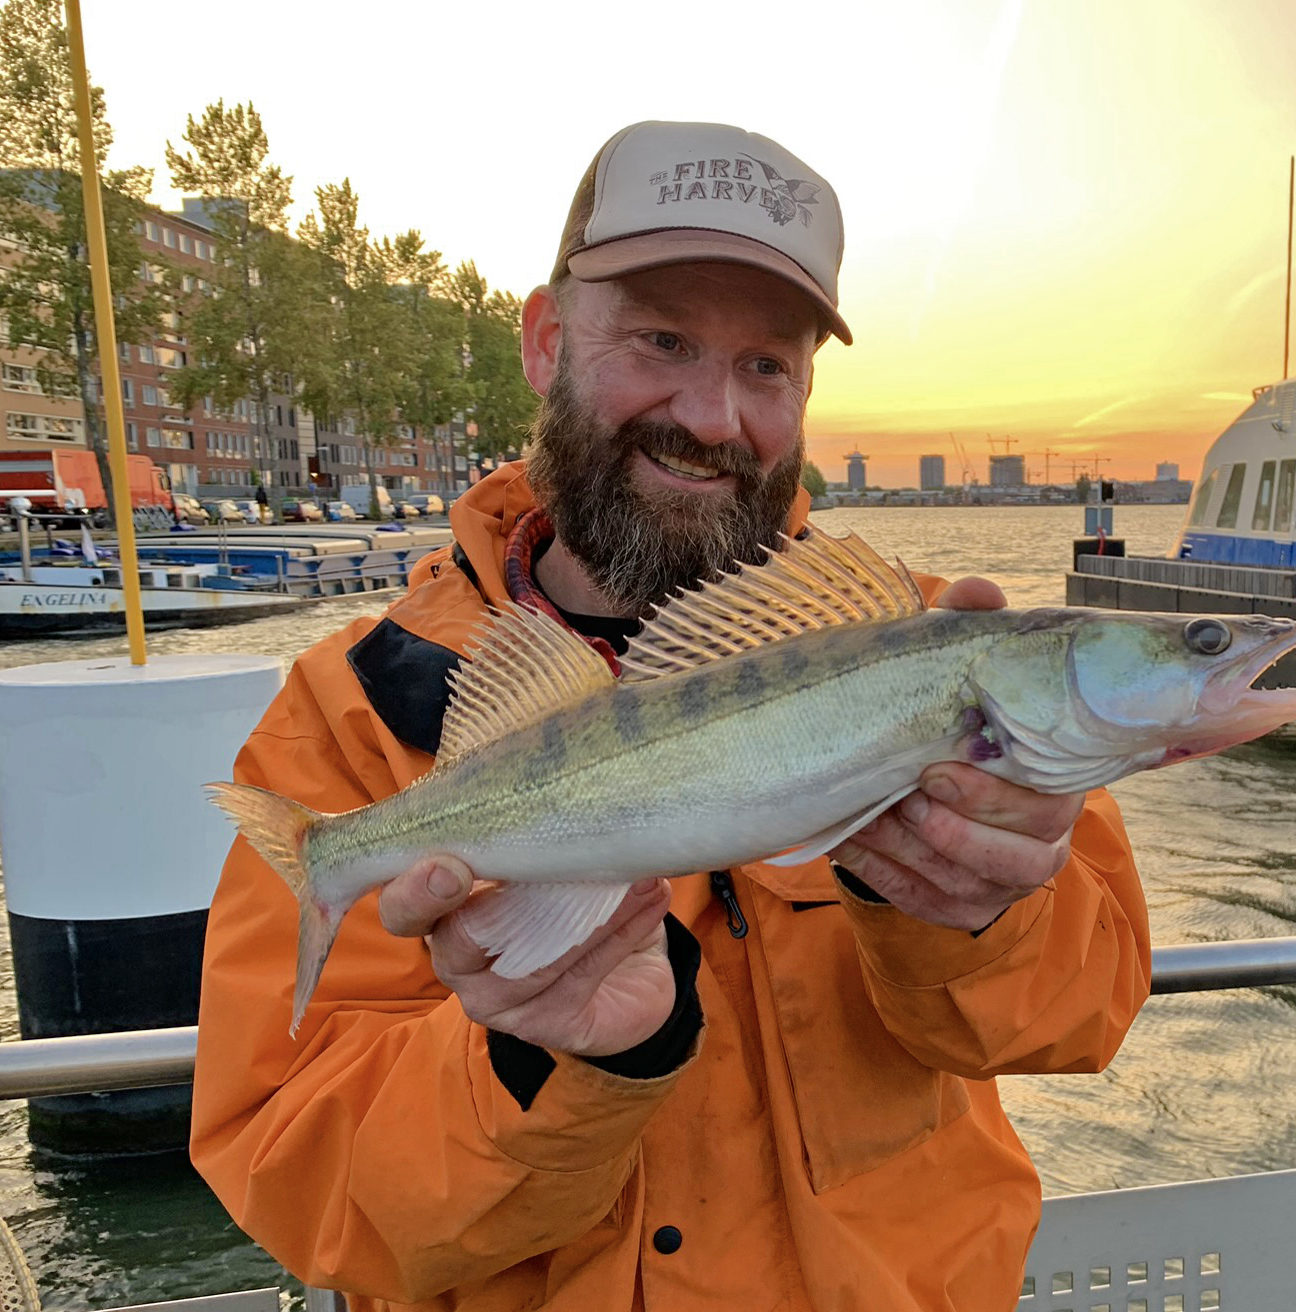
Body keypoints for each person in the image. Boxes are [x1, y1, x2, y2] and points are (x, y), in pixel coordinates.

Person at [189, 121, 1151, 1312]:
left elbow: (1081, 1016)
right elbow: (300, 1181)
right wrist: (544, 1053)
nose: (712, 415)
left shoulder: (930, 644)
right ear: (547, 342)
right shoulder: (348, 713)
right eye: (663, 340)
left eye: (767, 366)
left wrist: (983, 908)